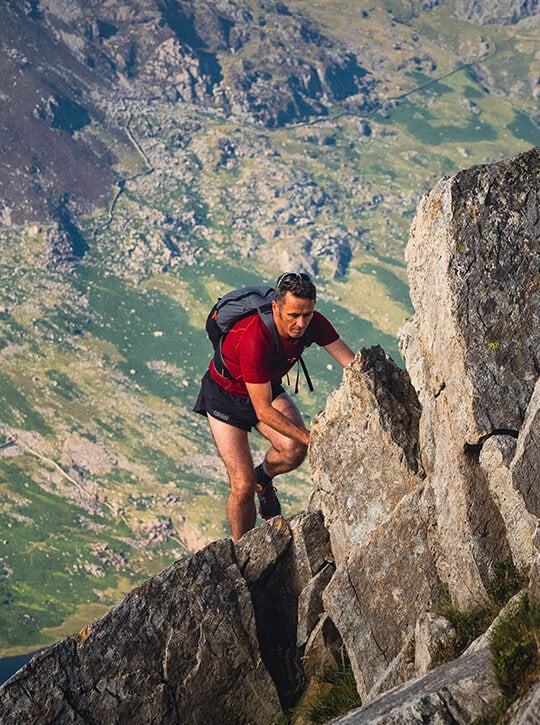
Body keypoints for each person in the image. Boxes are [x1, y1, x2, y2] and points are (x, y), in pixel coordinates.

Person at [193, 272, 355, 541]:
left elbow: (351, 362)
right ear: (276, 308)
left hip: (263, 386)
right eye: (293, 315)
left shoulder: (312, 322)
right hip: (225, 396)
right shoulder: (254, 338)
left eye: (307, 314)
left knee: (294, 450)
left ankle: (264, 478)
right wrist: (313, 438)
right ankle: (242, 551)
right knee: (242, 486)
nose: (301, 323)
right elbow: (264, 412)